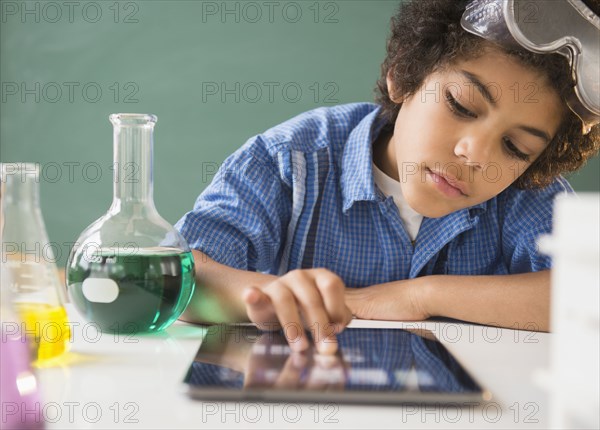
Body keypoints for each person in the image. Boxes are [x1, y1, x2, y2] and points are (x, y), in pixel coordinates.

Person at [175, 0, 600, 354]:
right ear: (404, 74)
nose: (476, 155)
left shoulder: (523, 196)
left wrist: (420, 296)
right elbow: (176, 276)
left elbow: (590, 295)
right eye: (462, 106)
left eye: (516, 148)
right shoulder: (290, 160)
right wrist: (276, 298)